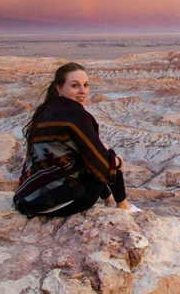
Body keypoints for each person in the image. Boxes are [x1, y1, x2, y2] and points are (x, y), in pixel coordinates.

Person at [13, 62, 140, 217]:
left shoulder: (45, 111)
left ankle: (109, 200)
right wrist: (118, 162)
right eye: (75, 86)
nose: (82, 91)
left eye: (85, 85)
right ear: (59, 88)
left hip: (29, 199)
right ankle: (124, 206)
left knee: (96, 154)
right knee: (108, 157)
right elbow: (100, 163)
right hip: (61, 202)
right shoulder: (76, 116)